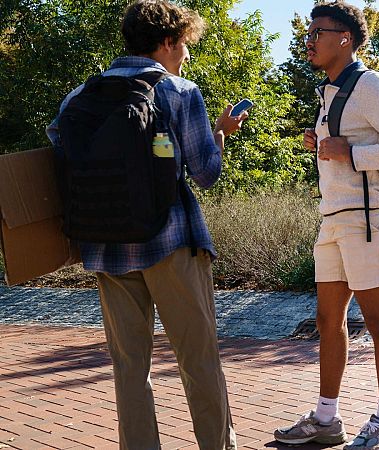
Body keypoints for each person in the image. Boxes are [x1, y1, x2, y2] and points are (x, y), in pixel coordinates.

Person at [46, 1, 245, 448]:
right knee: (198, 359)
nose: (187, 56)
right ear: (168, 41)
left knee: (129, 367)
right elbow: (205, 172)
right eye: (185, 46)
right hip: (170, 242)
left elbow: (58, 149)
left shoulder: (81, 97)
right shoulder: (178, 92)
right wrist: (220, 134)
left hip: (106, 249)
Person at [273, 2, 379, 449]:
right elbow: (345, 142)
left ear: (345, 37)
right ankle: (326, 419)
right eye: (308, 32)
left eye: (317, 32)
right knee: (327, 319)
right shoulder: (330, 92)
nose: (309, 40)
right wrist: (323, 144)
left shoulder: (371, 85)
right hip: (334, 220)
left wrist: (351, 154)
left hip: (370, 220)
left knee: (378, 319)